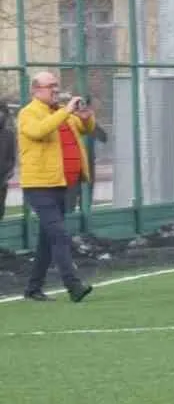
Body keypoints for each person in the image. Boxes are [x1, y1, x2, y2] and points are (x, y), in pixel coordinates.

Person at [15, 71, 95, 302]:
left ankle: (33, 288)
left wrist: (86, 116)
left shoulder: (61, 113)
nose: (55, 91)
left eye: (56, 86)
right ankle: (73, 285)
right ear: (35, 90)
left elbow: (85, 128)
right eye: (50, 86)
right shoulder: (28, 113)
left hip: (60, 184)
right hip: (39, 185)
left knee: (47, 238)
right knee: (59, 235)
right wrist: (65, 111)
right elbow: (39, 132)